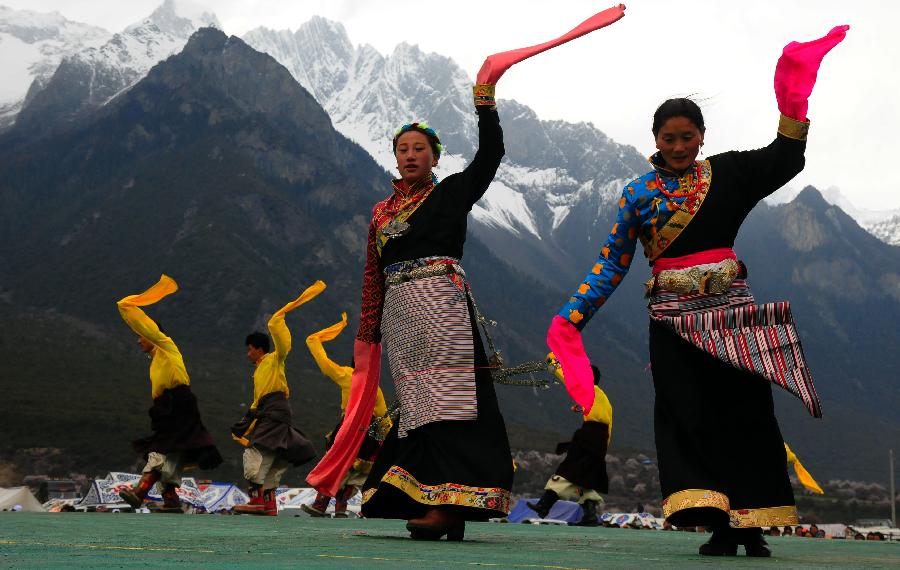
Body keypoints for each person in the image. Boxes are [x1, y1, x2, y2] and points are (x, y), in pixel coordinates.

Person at [547, 26, 848, 558]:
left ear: (702, 136)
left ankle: (749, 522)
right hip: (670, 321)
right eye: (670, 138)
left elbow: (784, 158)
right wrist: (572, 315)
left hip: (731, 314)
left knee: (745, 412)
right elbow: (611, 265)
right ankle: (717, 521)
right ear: (656, 140)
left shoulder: (728, 173)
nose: (680, 146)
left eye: (688, 137)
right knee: (688, 413)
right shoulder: (637, 195)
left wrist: (794, 96)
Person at [116, 275, 222, 513]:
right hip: (171, 406)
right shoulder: (156, 359)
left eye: (141, 336)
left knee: (160, 448)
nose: (138, 341)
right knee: (174, 450)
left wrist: (127, 308)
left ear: (152, 335)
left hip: (179, 403)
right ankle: (170, 499)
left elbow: (147, 329)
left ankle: (141, 491)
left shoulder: (165, 345)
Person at [231, 283, 322, 516]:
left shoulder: (274, 359)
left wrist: (276, 322)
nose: (247, 353)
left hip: (274, 411)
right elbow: (256, 402)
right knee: (274, 458)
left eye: (250, 349)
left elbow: (284, 346)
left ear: (259, 349)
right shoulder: (259, 370)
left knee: (254, 453)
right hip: (271, 412)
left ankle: (256, 502)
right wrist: (247, 420)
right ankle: (270, 506)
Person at [301, 312, 391, 518]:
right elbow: (383, 416)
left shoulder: (346, 375)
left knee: (338, 462)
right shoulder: (374, 387)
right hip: (368, 432)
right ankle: (340, 508)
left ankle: (321, 504)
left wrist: (313, 342)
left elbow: (324, 364)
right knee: (356, 470)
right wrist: (388, 439)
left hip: (350, 427)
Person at [527, 360, 612, 527]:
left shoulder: (589, 390)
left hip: (589, 436)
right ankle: (590, 516)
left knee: (567, 470)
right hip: (599, 441)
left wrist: (554, 365)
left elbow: (569, 379)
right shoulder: (601, 397)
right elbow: (608, 423)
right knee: (587, 477)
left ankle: (544, 505)